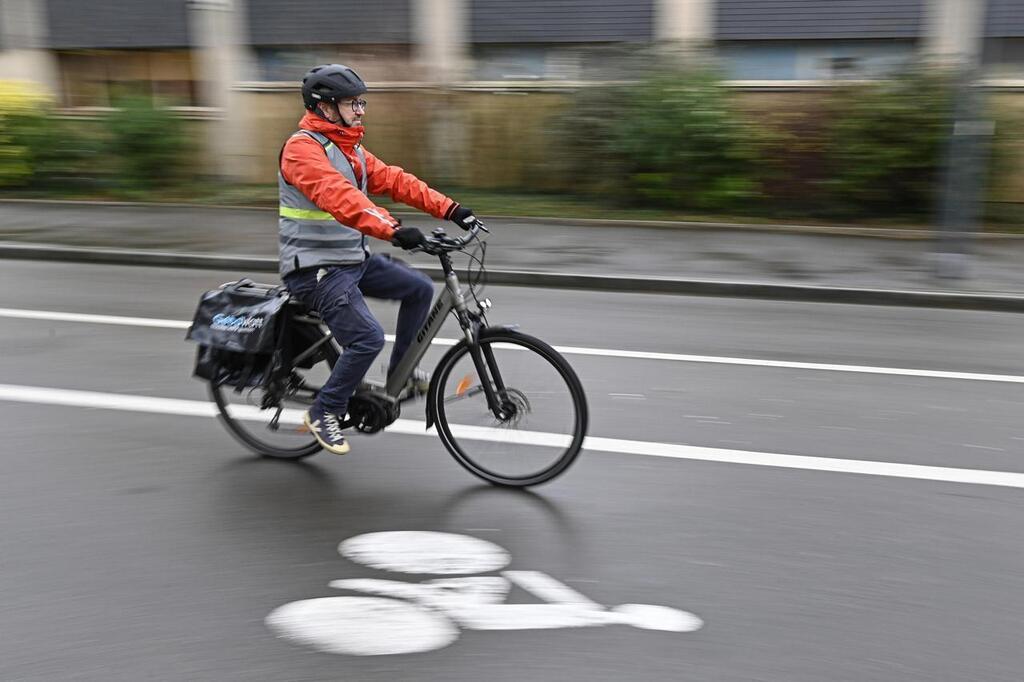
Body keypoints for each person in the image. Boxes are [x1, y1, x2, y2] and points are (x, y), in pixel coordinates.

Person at [279, 64, 480, 455]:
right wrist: (392, 229)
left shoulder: (350, 150)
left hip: (350, 258)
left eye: (361, 102)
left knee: (419, 289)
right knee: (367, 338)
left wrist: (452, 209)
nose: (361, 109)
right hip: (313, 268)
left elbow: (396, 180)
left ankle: (400, 376)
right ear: (325, 107)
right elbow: (339, 196)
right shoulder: (302, 150)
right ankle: (325, 411)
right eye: (353, 103)